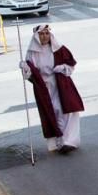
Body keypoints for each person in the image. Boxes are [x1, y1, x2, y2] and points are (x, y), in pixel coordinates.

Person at [19, 24, 84, 154]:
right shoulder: (32, 53)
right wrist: (25, 68)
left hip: (60, 84)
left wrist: (61, 68)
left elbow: (70, 64)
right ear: (37, 36)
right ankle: (58, 142)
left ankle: (69, 141)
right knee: (51, 112)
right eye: (41, 34)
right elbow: (30, 74)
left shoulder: (58, 48)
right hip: (44, 87)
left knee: (66, 110)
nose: (44, 36)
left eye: (47, 33)